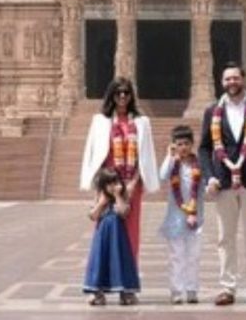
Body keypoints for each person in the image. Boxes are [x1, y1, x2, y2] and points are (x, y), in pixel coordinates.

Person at [198, 62, 246, 306]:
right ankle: (227, 287)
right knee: (225, 237)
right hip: (223, 182)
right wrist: (209, 176)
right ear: (221, 83)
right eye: (227, 79)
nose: (232, 82)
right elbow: (204, 148)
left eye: (235, 78)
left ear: (243, 80)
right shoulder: (212, 112)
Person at [79, 77, 159, 293]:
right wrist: (101, 187)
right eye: (118, 93)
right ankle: (100, 283)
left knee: (131, 234)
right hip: (108, 184)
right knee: (104, 233)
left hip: (133, 184)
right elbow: (94, 152)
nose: (122, 97)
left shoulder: (142, 122)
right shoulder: (100, 121)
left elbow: (146, 155)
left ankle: (127, 287)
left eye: (126, 93)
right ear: (111, 96)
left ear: (132, 96)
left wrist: (133, 184)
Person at [158, 124, 207, 305]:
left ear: (192, 144)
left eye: (186, 143)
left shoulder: (198, 164)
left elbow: (205, 185)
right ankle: (177, 290)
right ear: (174, 145)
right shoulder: (173, 165)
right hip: (175, 218)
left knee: (194, 255)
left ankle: (192, 289)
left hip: (195, 217)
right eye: (179, 144)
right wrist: (169, 156)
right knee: (176, 256)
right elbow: (162, 175)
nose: (183, 147)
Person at [83, 168, 140, 306]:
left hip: (118, 236)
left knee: (120, 260)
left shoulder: (122, 196)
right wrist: (101, 203)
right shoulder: (100, 196)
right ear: (103, 185)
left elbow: (123, 212)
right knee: (100, 260)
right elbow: (93, 216)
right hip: (102, 236)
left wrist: (118, 196)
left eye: (115, 182)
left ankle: (125, 292)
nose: (113, 186)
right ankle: (97, 292)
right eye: (109, 183)